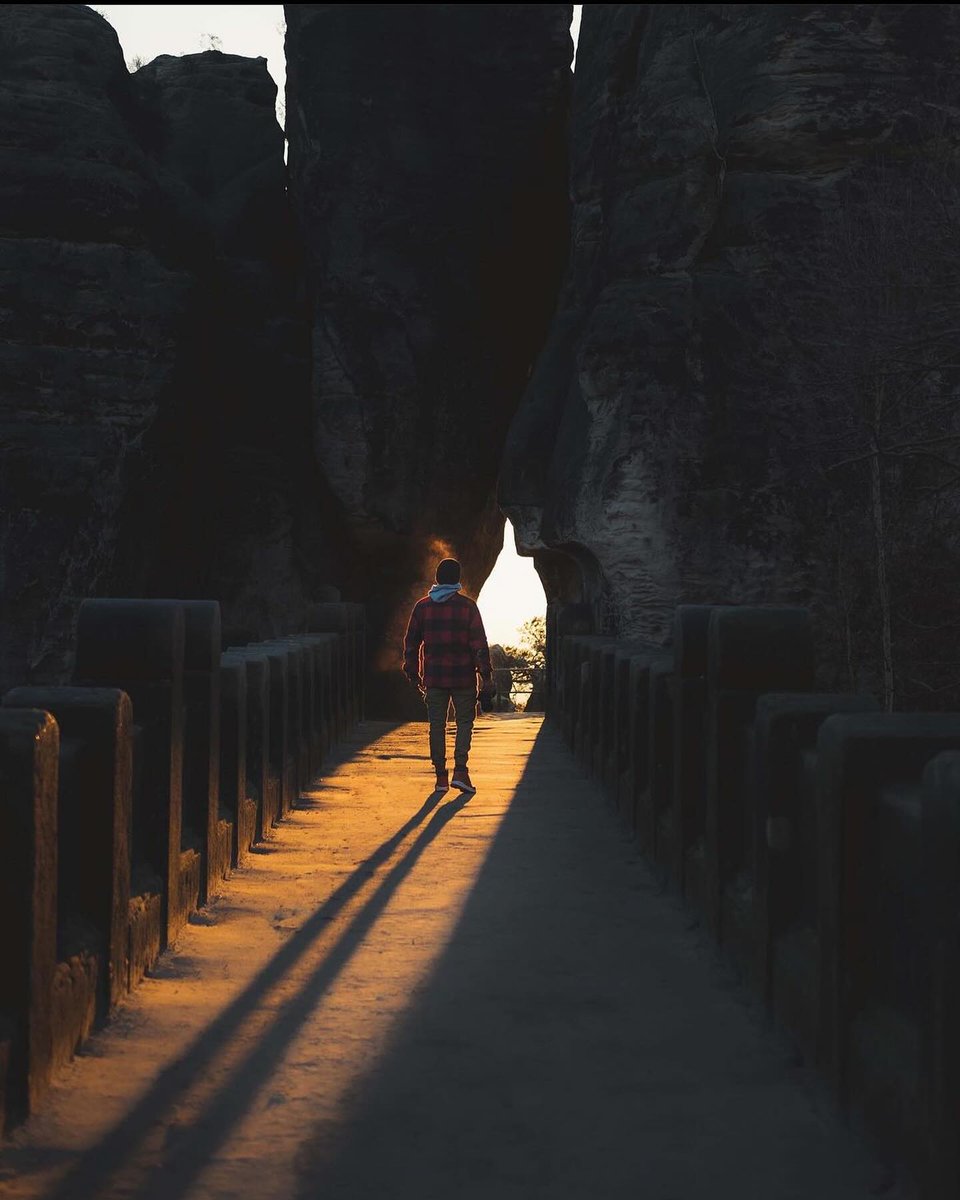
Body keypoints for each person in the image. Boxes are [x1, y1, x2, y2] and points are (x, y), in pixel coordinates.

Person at [402, 558, 494, 793]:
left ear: (437, 578)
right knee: (464, 723)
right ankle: (461, 772)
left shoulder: (423, 607)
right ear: (457, 579)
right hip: (463, 677)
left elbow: (411, 643)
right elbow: (479, 644)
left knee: (437, 726)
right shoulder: (467, 607)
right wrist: (486, 676)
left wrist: (413, 673)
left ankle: (441, 777)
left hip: (434, 677)